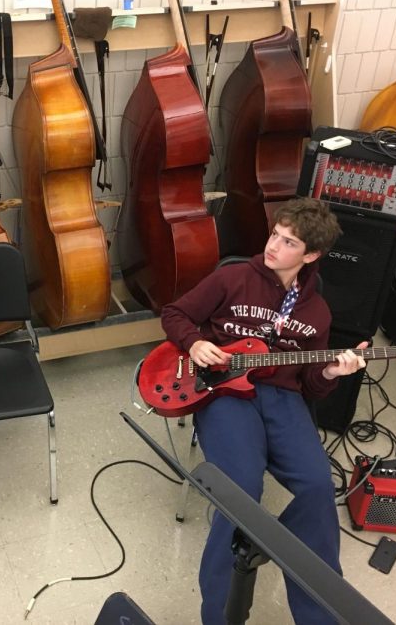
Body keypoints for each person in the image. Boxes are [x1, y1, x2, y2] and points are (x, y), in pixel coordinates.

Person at [161, 198, 367, 625]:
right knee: (241, 489)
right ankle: (220, 615)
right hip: (226, 392)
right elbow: (175, 313)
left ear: (310, 255)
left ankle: (320, 614)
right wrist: (194, 343)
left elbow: (312, 386)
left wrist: (331, 370)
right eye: (275, 234)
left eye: (288, 242)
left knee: (315, 487)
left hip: (282, 398)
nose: (273, 245)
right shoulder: (233, 278)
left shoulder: (315, 312)